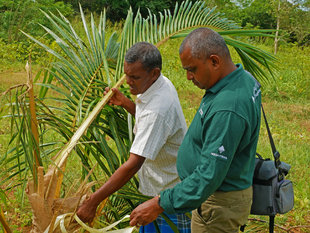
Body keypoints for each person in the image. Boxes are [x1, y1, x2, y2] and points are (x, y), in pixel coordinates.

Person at [129, 28, 262, 233]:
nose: (189, 77)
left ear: (215, 61)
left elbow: (208, 176)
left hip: (217, 204)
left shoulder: (228, 108)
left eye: (192, 69)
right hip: (221, 195)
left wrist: (159, 203)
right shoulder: (242, 79)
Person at [76, 42, 191, 232]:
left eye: (134, 77)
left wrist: (92, 202)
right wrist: (126, 103)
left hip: (167, 199)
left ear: (154, 73)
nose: (128, 81)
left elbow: (133, 165)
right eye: (126, 74)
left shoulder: (158, 110)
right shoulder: (160, 84)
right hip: (158, 193)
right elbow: (150, 123)